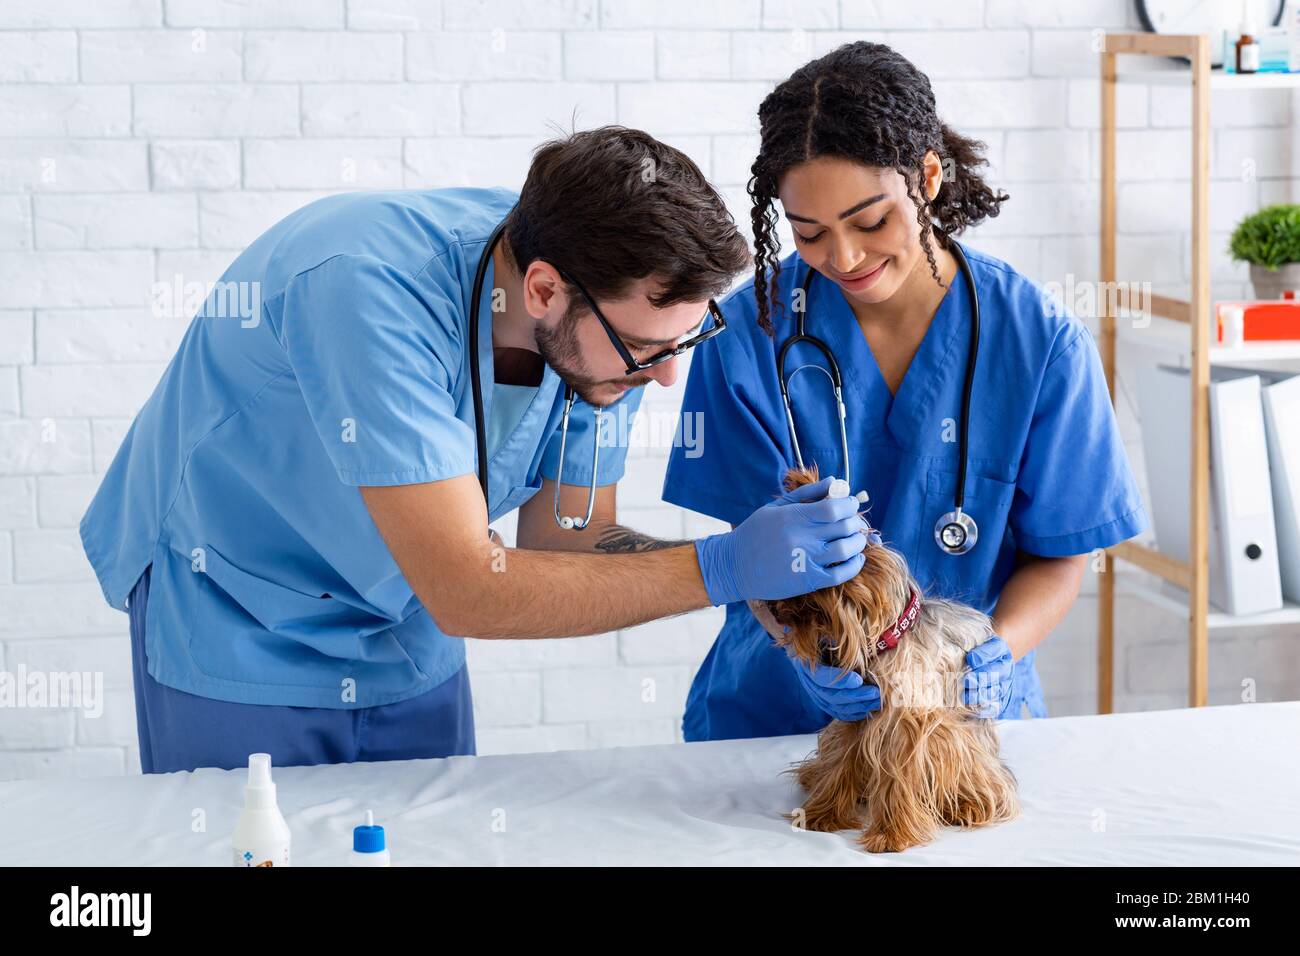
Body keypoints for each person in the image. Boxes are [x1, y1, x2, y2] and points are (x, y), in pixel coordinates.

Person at [81, 127, 870, 773]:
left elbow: (574, 537)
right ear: (542, 292)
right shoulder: (365, 289)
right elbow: (467, 586)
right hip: (240, 611)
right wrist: (722, 566)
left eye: (682, 344)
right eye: (642, 348)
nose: (665, 377)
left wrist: (763, 585)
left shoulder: (598, 327)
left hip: (405, 622)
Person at [663, 43, 1147, 742]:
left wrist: (996, 651)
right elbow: (747, 555)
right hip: (778, 721)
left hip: (962, 723)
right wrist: (801, 650)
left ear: (926, 178)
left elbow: (1060, 554)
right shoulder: (747, 334)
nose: (845, 258)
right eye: (809, 234)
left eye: (870, 222)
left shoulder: (1037, 340)